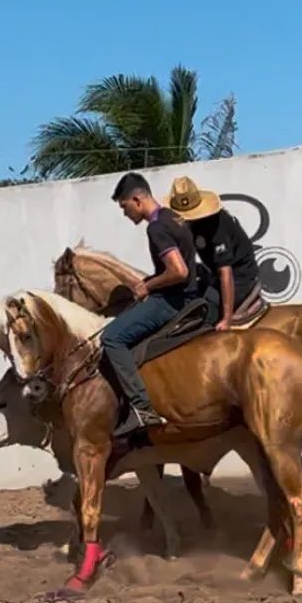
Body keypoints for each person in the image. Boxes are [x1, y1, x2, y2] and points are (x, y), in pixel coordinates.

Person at [99, 171, 200, 438]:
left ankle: (142, 408)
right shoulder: (173, 217)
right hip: (187, 295)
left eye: (125, 207)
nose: (125, 214)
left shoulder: (156, 228)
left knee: (111, 338)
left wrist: (149, 286)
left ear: (137, 200)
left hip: (172, 301)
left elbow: (179, 271)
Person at [164, 175, 262, 331]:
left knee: (203, 314)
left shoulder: (217, 227)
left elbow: (226, 273)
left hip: (240, 277)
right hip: (216, 274)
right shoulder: (193, 225)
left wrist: (226, 319)